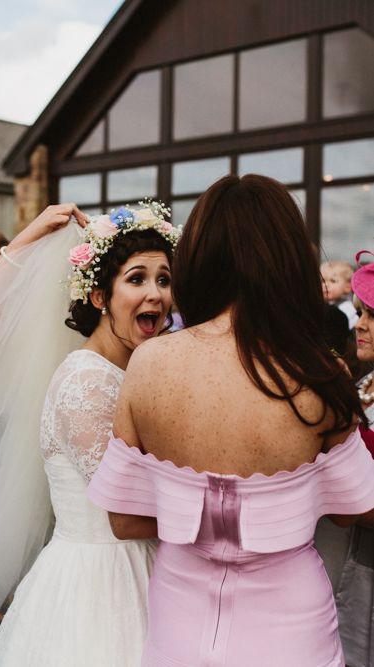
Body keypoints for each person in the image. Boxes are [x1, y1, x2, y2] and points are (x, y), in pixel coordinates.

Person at [88, 175, 374, 666]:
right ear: (289, 261)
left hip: (180, 618)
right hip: (291, 628)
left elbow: (125, 517)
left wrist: (199, 515)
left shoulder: (150, 365)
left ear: (198, 257)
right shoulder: (318, 373)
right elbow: (354, 508)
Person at [0, 202, 179, 666]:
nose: (156, 294)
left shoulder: (136, 369)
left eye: (164, 279)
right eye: (136, 279)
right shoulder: (86, 383)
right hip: (102, 584)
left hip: (152, 568)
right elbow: (127, 505)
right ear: (98, 297)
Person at [317, 251, 374, 667]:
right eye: (359, 313)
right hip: (350, 557)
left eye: (371, 316)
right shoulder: (362, 381)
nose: (361, 326)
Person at [322, 259, 358, 328]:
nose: (325, 285)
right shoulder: (320, 304)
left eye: (333, 281)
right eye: (322, 280)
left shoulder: (348, 308)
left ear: (348, 287)